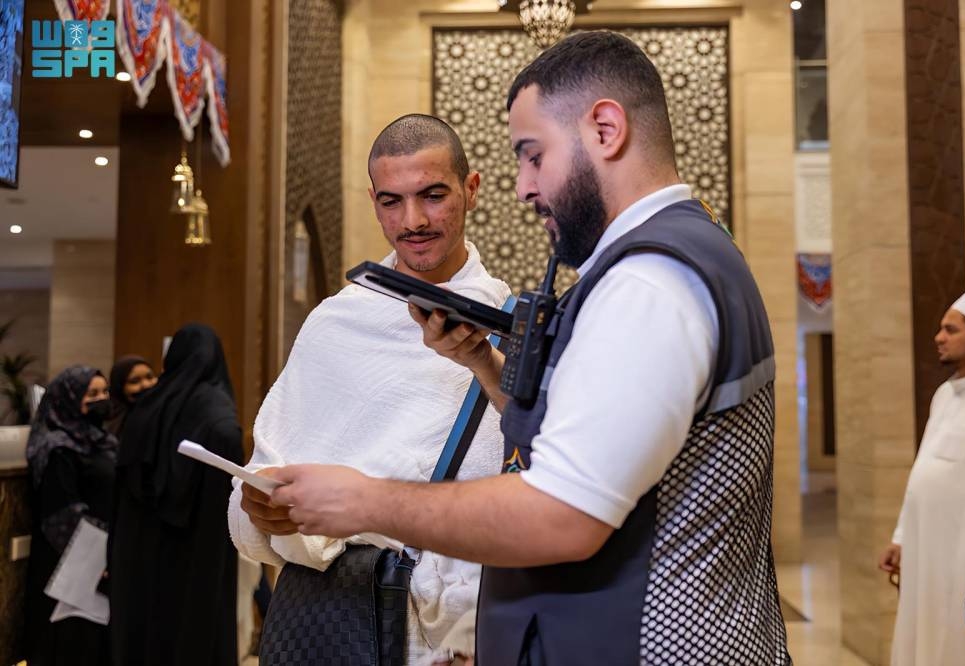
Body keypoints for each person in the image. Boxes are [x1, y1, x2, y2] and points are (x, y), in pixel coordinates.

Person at [264, 31, 791, 665]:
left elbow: (562, 513)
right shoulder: (688, 250)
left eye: (533, 155)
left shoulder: (648, 283)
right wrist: (482, 363)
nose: (524, 186)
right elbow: (591, 445)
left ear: (605, 130)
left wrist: (361, 501)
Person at [230, 114, 510, 664]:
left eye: (433, 195)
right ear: (373, 201)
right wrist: (261, 509)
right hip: (334, 622)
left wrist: (477, 631)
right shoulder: (334, 322)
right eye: (391, 201)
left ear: (471, 189)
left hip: (458, 635)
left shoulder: (508, 326)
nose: (413, 221)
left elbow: (534, 493)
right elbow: (267, 469)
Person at [110, 323, 243, 666]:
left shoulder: (147, 406)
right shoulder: (216, 409)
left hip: (140, 547)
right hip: (198, 549)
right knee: (194, 627)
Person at [879, 290, 965, 665]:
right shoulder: (945, 394)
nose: (938, 337)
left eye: (951, 329)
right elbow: (923, 471)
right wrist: (902, 537)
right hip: (926, 554)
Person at [24, 365, 116, 665]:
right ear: (69, 398)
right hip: (69, 563)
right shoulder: (57, 447)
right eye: (92, 393)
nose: (101, 399)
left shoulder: (102, 440)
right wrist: (98, 557)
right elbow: (61, 513)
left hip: (102, 558)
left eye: (104, 391)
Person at [105, 355, 158, 436]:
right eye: (135, 381)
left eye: (149, 377)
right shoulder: (114, 425)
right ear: (120, 388)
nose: (146, 385)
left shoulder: (166, 413)